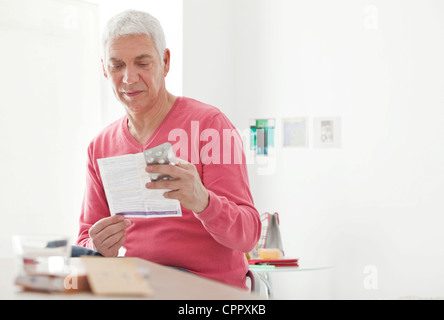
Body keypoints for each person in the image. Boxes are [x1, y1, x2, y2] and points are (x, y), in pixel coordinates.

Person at [75, 9, 261, 289]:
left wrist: (204, 201)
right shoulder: (100, 146)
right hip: (135, 287)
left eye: (142, 62)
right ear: (104, 69)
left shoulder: (210, 126)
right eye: (117, 65)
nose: (128, 78)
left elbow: (248, 236)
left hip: (205, 289)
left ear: (165, 61)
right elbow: (85, 241)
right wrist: (97, 247)